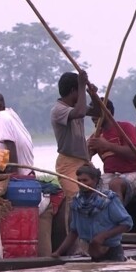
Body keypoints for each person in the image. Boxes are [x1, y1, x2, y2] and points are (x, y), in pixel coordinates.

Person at [51, 164, 133, 262]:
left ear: (95, 181)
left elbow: (127, 224)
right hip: (93, 252)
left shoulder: (108, 200)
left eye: (85, 180)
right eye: (79, 180)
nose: (81, 183)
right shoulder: (77, 203)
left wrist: (103, 236)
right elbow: (74, 231)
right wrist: (58, 252)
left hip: (112, 251)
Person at [87, 98, 136, 204]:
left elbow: (134, 154)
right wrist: (87, 149)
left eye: (96, 113)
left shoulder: (125, 127)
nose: (93, 117)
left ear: (108, 111)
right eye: (91, 114)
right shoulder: (96, 136)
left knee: (115, 184)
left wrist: (107, 145)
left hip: (134, 172)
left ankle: (119, 214)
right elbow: (86, 158)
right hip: (110, 175)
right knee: (89, 187)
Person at [51, 71, 93, 199]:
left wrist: (92, 94)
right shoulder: (58, 109)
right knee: (76, 199)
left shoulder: (77, 106)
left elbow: (99, 112)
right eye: (79, 90)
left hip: (83, 161)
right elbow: (80, 113)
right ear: (73, 90)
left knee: (95, 198)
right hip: (68, 163)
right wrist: (82, 85)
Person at [0, 92, 34, 176]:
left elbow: (11, 145)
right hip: (27, 168)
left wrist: (13, 175)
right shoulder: (9, 113)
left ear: (0, 107)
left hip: (20, 171)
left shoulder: (1, 116)